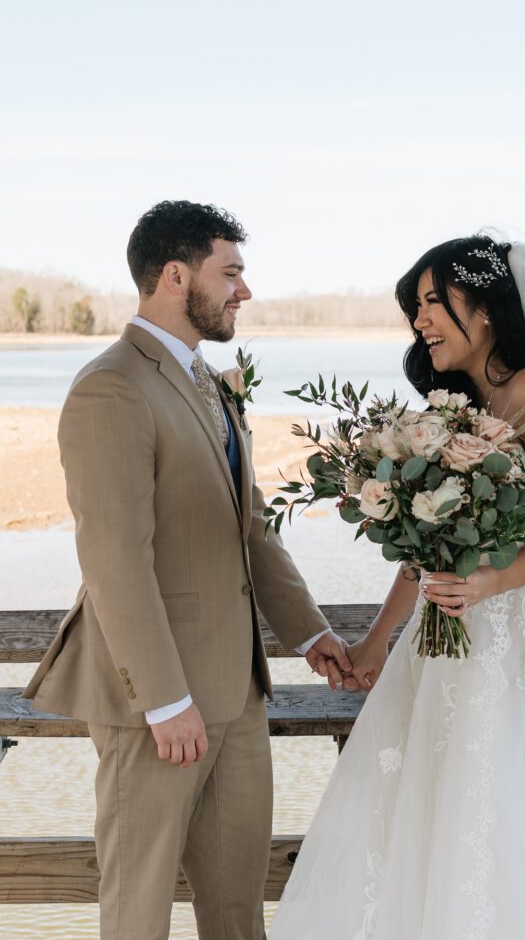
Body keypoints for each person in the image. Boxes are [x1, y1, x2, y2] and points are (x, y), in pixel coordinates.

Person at [269, 235, 525, 939]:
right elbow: (426, 548)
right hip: (441, 646)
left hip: (523, 638)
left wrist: (492, 581)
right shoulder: (455, 403)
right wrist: (374, 641)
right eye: (416, 308)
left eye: (434, 302)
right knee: (427, 814)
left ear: (485, 308)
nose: (421, 320)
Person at [23, 200, 352, 940]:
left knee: (237, 911)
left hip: (236, 693)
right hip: (157, 705)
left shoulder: (211, 381)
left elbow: (252, 531)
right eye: (230, 272)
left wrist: (309, 635)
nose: (245, 290)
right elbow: (114, 558)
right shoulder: (112, 387)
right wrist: (165, 700)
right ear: (175, 276)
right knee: (138, 910)